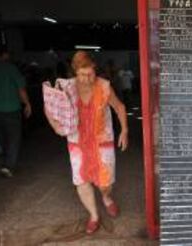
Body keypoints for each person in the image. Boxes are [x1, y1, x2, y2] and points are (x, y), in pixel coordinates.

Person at [44, 51, 128, 234]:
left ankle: (106, 198)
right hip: (77, 142)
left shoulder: (104, 86)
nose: (87, 79)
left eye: (90, 74)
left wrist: (125, 130)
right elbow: (49, 107)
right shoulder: (66, 88)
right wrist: (55, 125)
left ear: (94, 69)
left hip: (102, 141)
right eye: (82, 75)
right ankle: (94, 216)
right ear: (75, 72)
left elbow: (120, 107)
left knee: (105, 182)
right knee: (81, 181)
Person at [0, 46, 31, 178]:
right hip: (11, 110)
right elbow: (21, 88)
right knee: (14, 138)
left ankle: (6, 162)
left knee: (1, 137)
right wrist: (27, 104)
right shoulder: (11, 68)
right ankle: (8, 166)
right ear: (4, 54)